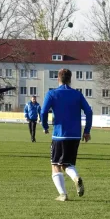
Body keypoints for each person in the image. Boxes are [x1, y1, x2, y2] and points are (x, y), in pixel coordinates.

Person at [40, 68, 93, 202]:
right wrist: (86, 131)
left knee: (55, 165)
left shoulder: (52, 94)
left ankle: (63, 194)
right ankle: (75, 177)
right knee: (67, 164)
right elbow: (89, 112)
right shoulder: (77, 94)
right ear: (70, 80)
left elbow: (43, 112)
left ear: (58, 79)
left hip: (59, 135)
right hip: (75, 136)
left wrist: (45, 126)